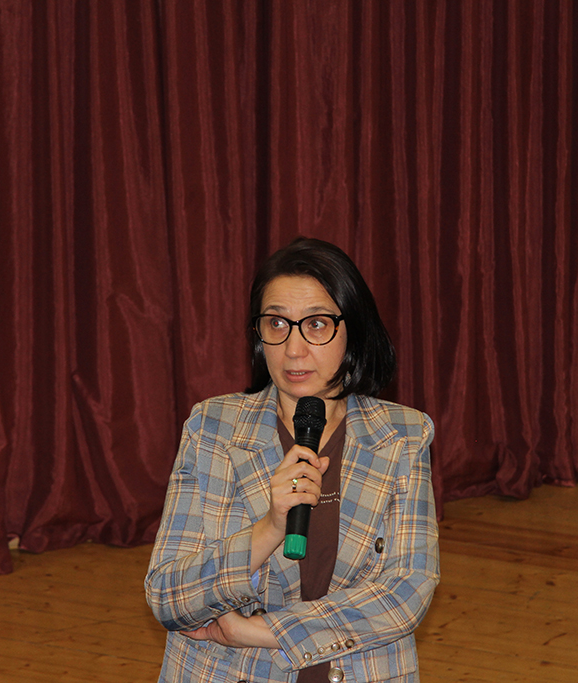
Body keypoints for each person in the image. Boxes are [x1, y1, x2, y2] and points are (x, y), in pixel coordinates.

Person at [145, 237, 440, 682]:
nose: (294, 349)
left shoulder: (402, 435)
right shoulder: (213, 429)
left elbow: (407, 592)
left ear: (354, 329)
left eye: (317, 324)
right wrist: (269, 528)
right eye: (277, 324)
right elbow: (168, 595)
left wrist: (261, 631)